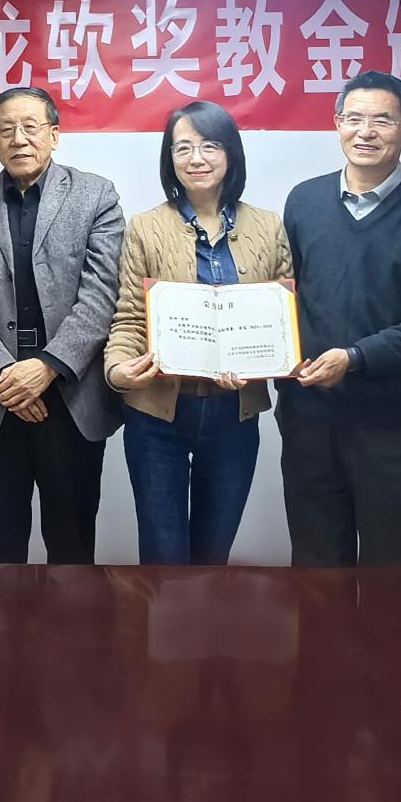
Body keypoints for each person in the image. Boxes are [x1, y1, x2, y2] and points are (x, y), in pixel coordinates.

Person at [276, 70, 401, 568]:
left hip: (397, 427)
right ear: (337, 124)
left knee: (396, 577)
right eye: (353, 118)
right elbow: (283, 298)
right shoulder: (304, 201)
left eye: (383, 120)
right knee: (317, 571)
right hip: (311, 423)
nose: (365, 132)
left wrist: (355, 358)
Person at [0, 86, 124, 564]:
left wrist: (47, 367)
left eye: (30, 127)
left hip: (71, 393)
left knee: (72, 549)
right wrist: (4, 375)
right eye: (6, 129)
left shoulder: (95, 195)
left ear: (54, 135)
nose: (18, 139)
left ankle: (73, 621)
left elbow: (102, 294)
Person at [104, 101, 292, 565]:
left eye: (209, 146)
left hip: (234, 414)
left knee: (212, 557)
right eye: (182, 148)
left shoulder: (268, 226)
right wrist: (118, 370)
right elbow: (130, 317)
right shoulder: (146, 227)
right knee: (163, 559)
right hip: (158, 416)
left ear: (231, 153)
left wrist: (259, 364)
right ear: (169, 158)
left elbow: (283, 320)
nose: (196, 158)